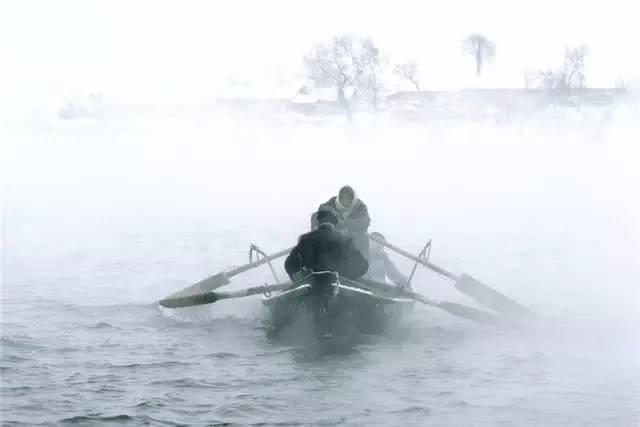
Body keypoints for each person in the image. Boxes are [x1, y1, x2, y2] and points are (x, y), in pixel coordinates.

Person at [285, 206, 369, 289]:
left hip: (311, 289)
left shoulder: (305, 239)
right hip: (339, 289)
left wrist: (298, 278)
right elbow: (363, 266)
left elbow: (289, 264)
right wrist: (346, 276)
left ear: (318, 221)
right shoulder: (344, 240)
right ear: (335, 222)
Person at [310, 185, 371, 260]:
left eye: (349, 198)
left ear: (353, 199)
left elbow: (364, 223)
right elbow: (316, 217)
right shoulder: (331, 204)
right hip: (332, 240)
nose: (346, 200)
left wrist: (345, 221)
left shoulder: (360, 207)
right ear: (339, 197)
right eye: (343, 198)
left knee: (362, 237)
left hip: (353, 242)